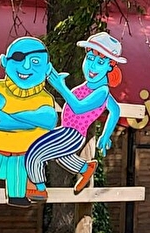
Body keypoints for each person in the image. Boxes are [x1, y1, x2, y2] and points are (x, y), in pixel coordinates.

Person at [25, 31, 125, 202]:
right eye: (90, 58)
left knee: (35, 151)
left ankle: (38, 188)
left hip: (72, 134)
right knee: (62, 157)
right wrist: (105, 135)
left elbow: (79, 108)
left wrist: (61, 87)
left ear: (110, 66)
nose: (93, 66)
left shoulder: (102, 92)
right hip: (68, 131)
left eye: (100, 62)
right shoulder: (91, 87)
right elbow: (115, 110)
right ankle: (86, 168)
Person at [0, 36, 59, 206]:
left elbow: (49, 120)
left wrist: (8, 116)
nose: (26, 66)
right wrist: (31, 121)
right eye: (18, 58)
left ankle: (17, 195)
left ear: (47, 68)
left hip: (21, 155)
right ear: (4, 61)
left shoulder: (45, 98)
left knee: (17, 180)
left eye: (35, 61)